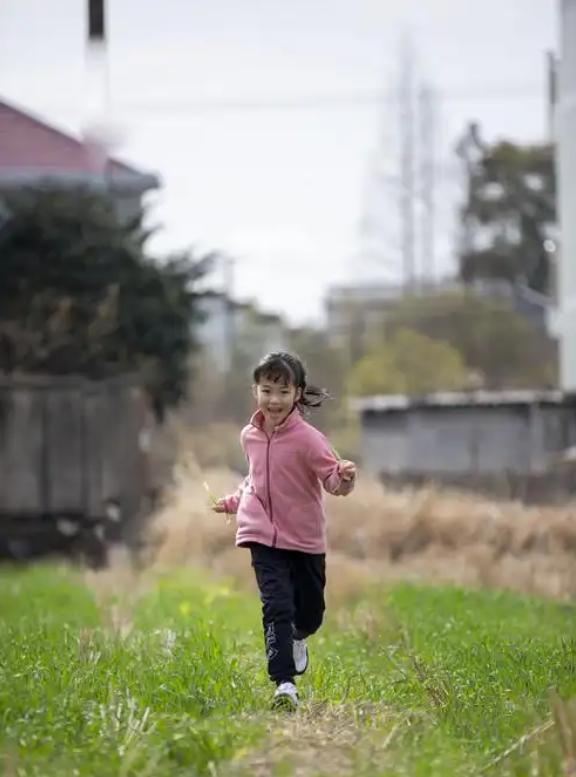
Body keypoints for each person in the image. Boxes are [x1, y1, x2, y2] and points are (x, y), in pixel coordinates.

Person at [212, 351, 357, 710]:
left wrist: (344, 478)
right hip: (260, 533)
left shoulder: (309, 440)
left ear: (297, 393)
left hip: (304, 539)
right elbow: (255, 479)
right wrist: (234, 502)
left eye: (282, 392)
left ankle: (298, 636)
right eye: (266, 391)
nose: (273, 400)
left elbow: (333, 483)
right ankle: (284, 684)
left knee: (310, 614)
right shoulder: (249, 436)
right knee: (275, 605)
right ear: (255, 391)